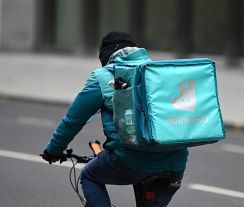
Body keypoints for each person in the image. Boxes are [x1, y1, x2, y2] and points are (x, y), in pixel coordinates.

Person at [41, 31, 188, 207]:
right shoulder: (159, 73)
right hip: (175, 162)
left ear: (106, 56)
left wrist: (53, 150)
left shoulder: (103, 77)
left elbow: (73, 121)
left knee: (89, 176)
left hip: (131, 159)